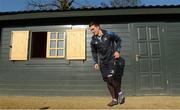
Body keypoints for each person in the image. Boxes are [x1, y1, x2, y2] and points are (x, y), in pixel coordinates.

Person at [89, 21, 125, 107]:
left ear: (98, 27)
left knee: (111, 77)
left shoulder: (109, 34)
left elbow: (119, 40)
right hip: (102, 63)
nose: (92, 31)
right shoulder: (93, 40)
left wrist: (117, 51)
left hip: (112, 60)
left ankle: (120, 94)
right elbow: (94, 52)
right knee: (108, 81)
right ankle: (114, 100)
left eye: (93, 29)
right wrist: (95, 63)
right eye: (91, 30)